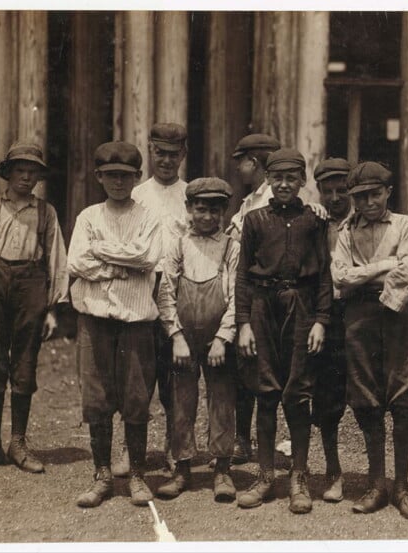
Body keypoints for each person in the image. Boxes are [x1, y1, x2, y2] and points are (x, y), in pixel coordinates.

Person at [0, 142, 69, 474]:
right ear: (8, 173)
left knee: (25, 363)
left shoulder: (46, 212)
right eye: (20, 170)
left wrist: (51, 309)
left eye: (32, 171)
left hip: (32, 283)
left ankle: (18, 443)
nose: (26, 176)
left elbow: (56, 260)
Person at [235, 148, 332, 514]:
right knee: (265, 391)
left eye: (292, 178)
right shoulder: (255, 219)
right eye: (278, 178)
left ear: (303, 181)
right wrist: (243, 323)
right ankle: (264, 475)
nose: (284, 184)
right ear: (269, 181)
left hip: (301, 306)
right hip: (262, 307)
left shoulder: (313, 220)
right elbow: (243, 273)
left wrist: (321, 319)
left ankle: (299, 476)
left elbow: (324, 274)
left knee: (297, 392)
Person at [68, 141, 163, 508]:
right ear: (99, 177)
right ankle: (102, 475)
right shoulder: (88, 217)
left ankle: (137, 474)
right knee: (96, 397)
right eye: (111, 176)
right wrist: (123, 266)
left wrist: (102, 254)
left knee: (136, 396)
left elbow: (148, 256)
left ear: (137, 177)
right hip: (95, 319)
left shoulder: (148, 216)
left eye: (126, 176)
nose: (119, 183)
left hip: (137, 321)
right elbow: (77, 263)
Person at [330, 161, 408, 520]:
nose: (368, 202)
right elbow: (339, 277)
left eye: (375, 194)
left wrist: (366, 273)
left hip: (398, 317)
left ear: (388, 192)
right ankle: (377, 484)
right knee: (367, 401)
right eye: (361, 197)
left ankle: (401, 487)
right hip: (359, 320)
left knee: (401, 401)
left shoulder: (404, 225)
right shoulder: (346, 230)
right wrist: (382, 266)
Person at [155, 177, 240, 502]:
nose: (207, 217)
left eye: (214, 210)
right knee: (181, 401)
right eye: (200, 209)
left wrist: (223, 338)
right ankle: (182, 467)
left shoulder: (232, 247)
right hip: (184, 339)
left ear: (223, 212)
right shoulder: (177, 245)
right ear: (189, 209)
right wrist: (175, 335)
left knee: (222, 400)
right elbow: (166, 294)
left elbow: (236, 298)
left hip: (218, 340)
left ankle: (222, 469)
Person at [112, 122, 188, 477]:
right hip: (140, 289)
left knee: (175, 378)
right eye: (161, 154)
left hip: (177, 292)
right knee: (136, 376)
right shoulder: (136, 194)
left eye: (174, 155)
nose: (167, 161)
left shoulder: (191, 196)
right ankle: (130, 450)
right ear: (151, 153)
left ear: (183, 156)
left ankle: (175, 447)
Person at [225, 133, 281, 464]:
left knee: (264, 369)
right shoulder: (250, 200)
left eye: (241, 163)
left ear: (254, 162)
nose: (238, 169)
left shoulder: (270, 200)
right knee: (244, 367)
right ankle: (243, 439)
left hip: (266, 293)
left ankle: (261, 444)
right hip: (245, 289)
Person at [311, 157, 353, 502]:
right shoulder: (315, 222)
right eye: (329, 191)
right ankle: (334, 471)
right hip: (327, 315)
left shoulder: (365, 221)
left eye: (342, 190)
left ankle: (378, 478)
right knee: (327, 398)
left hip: (362, 314)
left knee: (369, 395)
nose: (336, 197)